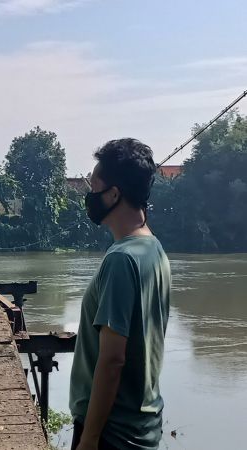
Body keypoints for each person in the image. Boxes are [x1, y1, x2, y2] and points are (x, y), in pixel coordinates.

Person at [70, 139, 171, 450]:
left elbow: (112, 359)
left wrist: (89, 439)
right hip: (142, 429)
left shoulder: (121, 260)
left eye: (94, 186)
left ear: (113, 194)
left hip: (111, 434)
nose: (89, 196)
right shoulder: (153, 248)